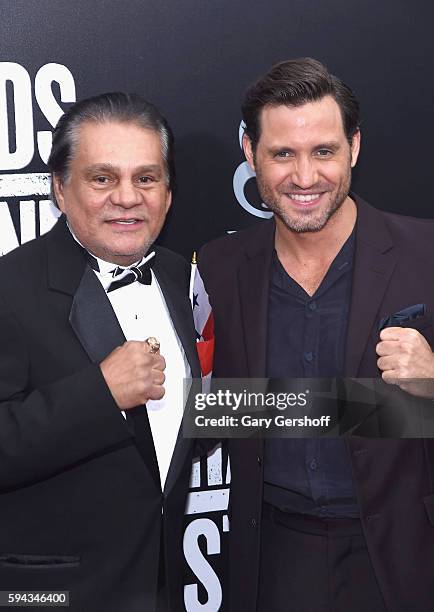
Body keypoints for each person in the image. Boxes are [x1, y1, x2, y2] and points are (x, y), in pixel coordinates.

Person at [199, 58, 434, 611]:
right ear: (249, 153)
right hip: (274, 555)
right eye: (282, 153)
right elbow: (210, 410)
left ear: (354, 146)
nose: (304, 178)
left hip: (409, 556)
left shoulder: (427, 253)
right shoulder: (218, 266)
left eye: (323, 151)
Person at [0, 92, 200, 611]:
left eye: (146, 178)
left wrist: (375, 408)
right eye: (103, 178)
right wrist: (100, 395)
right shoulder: (9, 289)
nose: (128, 197)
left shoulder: (185, 279)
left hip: (163, 584)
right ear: (60, 190)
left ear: (168, 193)